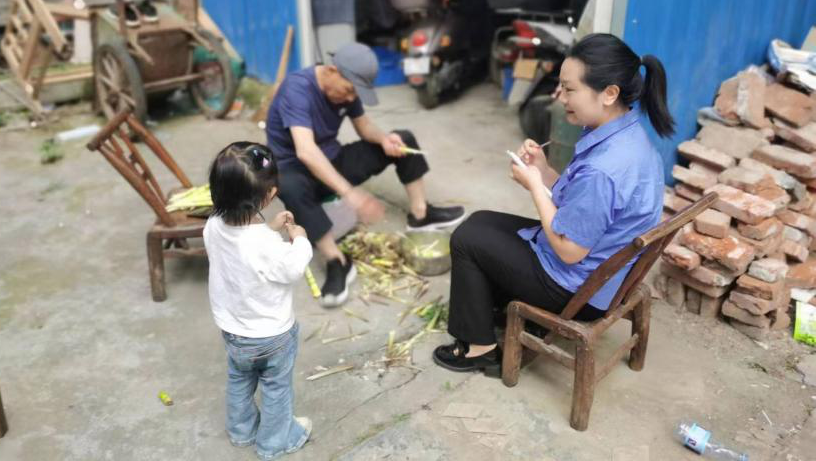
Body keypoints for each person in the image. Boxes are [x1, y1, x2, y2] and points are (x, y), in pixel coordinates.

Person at [432, 33, 674, 374]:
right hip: (601, 270)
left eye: (569, 89)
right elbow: (586, 205)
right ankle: (493, 308)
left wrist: (534, 186)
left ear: (609, 93)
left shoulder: (605, 169)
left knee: (467, 238)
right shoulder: (627, 135)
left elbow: (569, 250)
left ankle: (479, 349)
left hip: (576, 289)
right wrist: (544, 171)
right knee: (482, 221)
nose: (559, 96)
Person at [266, 42, 465, 307]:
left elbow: (364, 126)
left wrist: (384, 140)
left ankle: (420, 215)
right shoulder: (297, 89)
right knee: (287, 185)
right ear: (332, 70)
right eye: (349, 90)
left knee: (403, 139)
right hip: (297, 169)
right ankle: (336, 261)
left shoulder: (349, 89)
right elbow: (306, 152)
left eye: (355, 93)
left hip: (332, 160)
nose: (351, 98)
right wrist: (350, 194)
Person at [203, 142, 313, 459]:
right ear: (270, 194)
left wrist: (270, 228)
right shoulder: (265, 243)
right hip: (272, 336)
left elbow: (244, 248)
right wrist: (300, 240)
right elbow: (291, 268)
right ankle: (276, 442)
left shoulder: (212, 226)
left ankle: (242, 431)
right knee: (276, 387)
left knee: (239, 379)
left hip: (234, 331)